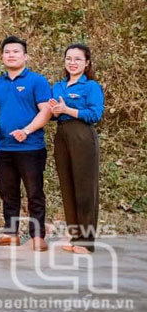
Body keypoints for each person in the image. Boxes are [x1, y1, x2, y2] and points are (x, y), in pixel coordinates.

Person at [0, 35, 52, 252]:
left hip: (31, 147)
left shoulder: (37, 81)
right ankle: (10, 233)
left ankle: (37, 235)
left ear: (25, 56)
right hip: (3, 148)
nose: (11, 55)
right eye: (7, 52)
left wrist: (27, 130)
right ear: (1, 56)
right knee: (8, 192)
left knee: (34, 192)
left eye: (15, 52)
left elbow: (46, 111)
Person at [49, 43, 104, 254]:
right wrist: (55, 112)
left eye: (78, 59)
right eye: (69, 58)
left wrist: (66, 109)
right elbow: (54, 112)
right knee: (67, 186)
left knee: (85, 189)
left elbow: (95, 114)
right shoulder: (58, 86)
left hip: (82, 136)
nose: (72, 63)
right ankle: (74, 235)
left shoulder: (91, 87)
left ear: (87, 62)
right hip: (62, 136)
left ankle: (87, 241)